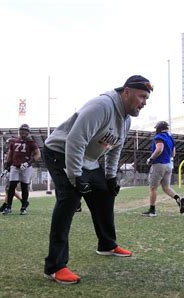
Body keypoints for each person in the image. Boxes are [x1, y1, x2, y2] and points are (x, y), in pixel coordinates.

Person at [43, 75, 152, 284]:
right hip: (60, 151)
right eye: (142, 97)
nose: (144, 103)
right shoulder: (102, 106)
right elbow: (75, 140)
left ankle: (107, 244)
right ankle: (55, 266)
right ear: (126, 92)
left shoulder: (126, 119)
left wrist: (111, 177)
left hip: (88, 158)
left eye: (146, 98)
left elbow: (115, 148)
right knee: (70, 200)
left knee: (105, 193)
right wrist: (76, 177)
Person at [142, 121, 184, 217]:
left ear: (159, 128)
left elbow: (159, 149)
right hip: (168, 165)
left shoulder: (159, 137)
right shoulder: (170, 138)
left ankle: (152, 211)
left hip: (159, 164)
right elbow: (173, 154)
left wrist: (151, 158)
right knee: (166, 188)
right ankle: (178, 198)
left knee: (153, 188)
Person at [2, 124, 40, 215]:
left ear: (28, 132)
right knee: (12, 186)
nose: (23, 132)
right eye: (22, 130)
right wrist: (7, 165)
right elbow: (10, 154)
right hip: (15, 166)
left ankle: (23, 207)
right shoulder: (14, 141)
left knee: (24, 187)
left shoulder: (31, 143)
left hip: (26, 167)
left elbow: (38, 155)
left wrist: (29, 162)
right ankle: (8, 207)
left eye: (25, 131)